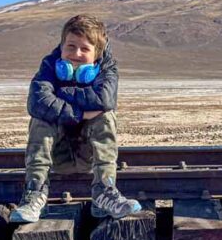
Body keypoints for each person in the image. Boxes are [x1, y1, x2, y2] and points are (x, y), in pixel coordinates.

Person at [10, 14, 141, 223]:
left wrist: (58, 96)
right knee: (41, 118)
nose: (76, 54)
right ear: (62, 46)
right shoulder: (49, 65)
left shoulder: (107, 68)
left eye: (85, 49)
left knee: (105, 116)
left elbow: (103, 100)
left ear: (97, 54)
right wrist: (79, 113)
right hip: (57, 157)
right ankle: (35, 191)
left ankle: (104, 191)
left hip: (89, 157)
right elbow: (37, 102)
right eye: (71, 46)